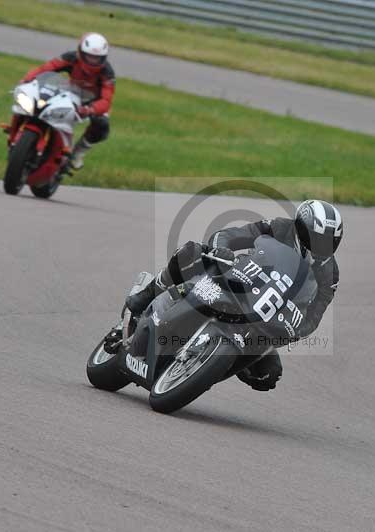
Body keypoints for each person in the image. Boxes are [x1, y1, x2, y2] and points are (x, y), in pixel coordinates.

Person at [120, 199, 343, 391]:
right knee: (192, 252)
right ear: (300, 229)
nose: (321, 245)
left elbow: (315, 314)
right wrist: (221, 249)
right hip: (237, 279)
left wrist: (296, 331)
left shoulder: (329, 273)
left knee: (268, 374)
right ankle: (146, 295)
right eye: (315, 237)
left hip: (264, 314)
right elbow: (229, 235)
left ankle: (208, 364)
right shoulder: (279, 228)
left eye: (328, 240)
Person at [20, 32, 115, 170]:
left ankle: (78, 153)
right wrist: (27, 79)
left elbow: (106, 100)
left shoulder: (107, 72)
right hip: (71, 92)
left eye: (97, 58)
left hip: (93, 102)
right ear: (80, 52)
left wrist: (91, 109)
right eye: (89, 56)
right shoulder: (70, 57)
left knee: (102, 125)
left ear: (104, 58)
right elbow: (46, 68)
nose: (92, 61)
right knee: (39, 100)